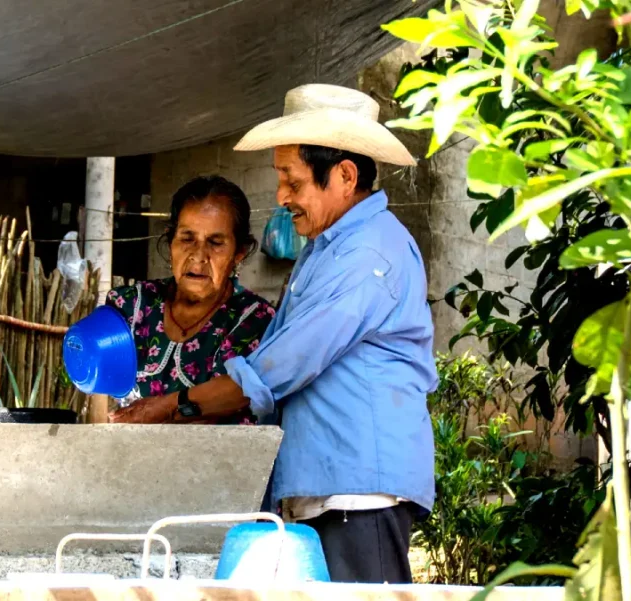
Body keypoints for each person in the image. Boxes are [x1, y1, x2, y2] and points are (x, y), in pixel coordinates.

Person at [110, 84, 437, 584]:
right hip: (326, 486)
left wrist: (166, 406)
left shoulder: (368, 252)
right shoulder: (328, 244)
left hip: (357, 489)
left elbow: (279, 367)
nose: (283, 197)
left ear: (345, 176)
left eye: (293, 181)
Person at [105, 175, 275, 424]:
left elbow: (246, 396)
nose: (198, 256)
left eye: (216, 243)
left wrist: (168, 411)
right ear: (170, 240)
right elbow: (99, 393)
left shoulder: (255, 321)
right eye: (187, 239)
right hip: (132, 459)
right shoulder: (131, 306)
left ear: (239, 252)